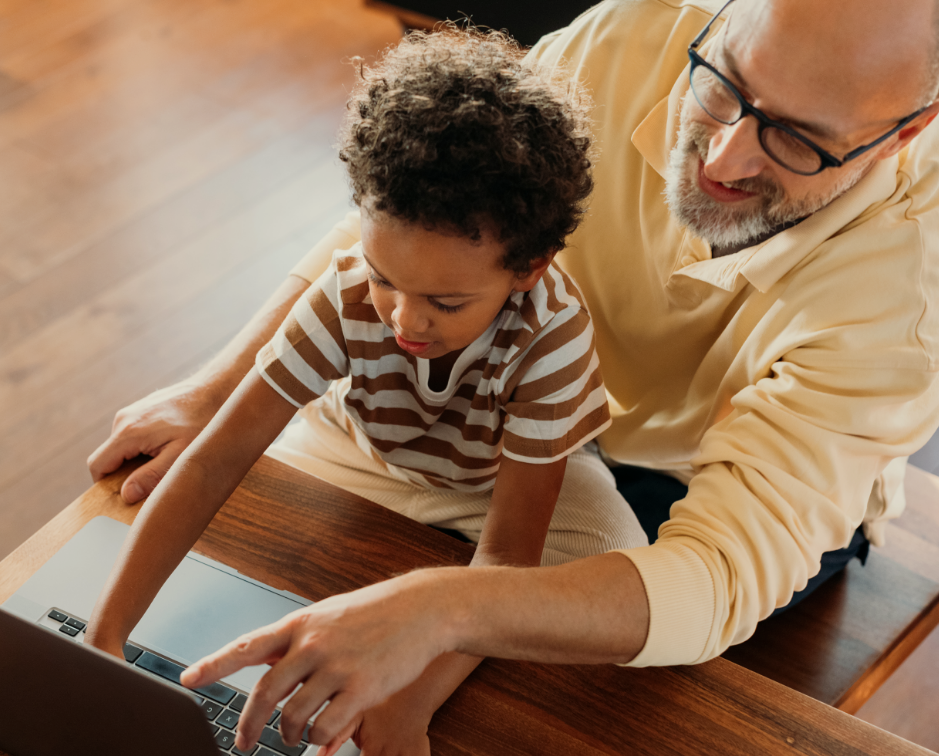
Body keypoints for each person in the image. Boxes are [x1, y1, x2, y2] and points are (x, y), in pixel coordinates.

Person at [88, 0, 939, 753]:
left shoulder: (910, 296)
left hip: (689, 487)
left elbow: (715, 576)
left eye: (797, 140)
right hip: (505, 404)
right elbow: (415, 224)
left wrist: (444, 610)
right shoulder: (630, 34)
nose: (724, 158)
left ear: (904, 134)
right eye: (726, 88)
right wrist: (213, 388)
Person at [82, 27, 649, 754]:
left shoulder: (553, 336)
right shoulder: (347, 290)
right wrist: (104, 637)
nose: (406, 320)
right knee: (217, 497)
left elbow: (506, 562)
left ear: (528, 269)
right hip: (360, 446)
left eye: (446, 304)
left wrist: (408, 704)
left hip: (497, 480)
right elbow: (215, 458)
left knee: (612, 574)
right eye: (386, 280)